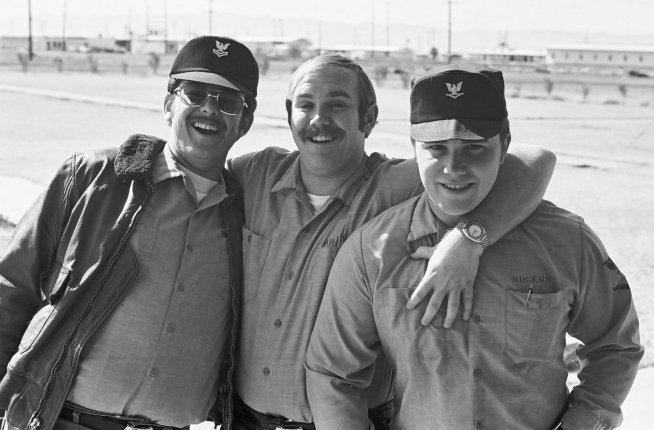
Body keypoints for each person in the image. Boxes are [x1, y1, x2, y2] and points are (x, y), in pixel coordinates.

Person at [305, 63, 644, 430]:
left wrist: (584, 421)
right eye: (436, 148)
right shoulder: (371, 251)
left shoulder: (567, 240)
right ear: (413, 147)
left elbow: (615, 346)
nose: (454, 167)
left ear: (505, 146)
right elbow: (332, 374)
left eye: (474, 148)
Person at [227, 55, 557, 430]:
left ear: (368, 118)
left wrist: (469, 239)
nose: (319, 119)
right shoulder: (253, 174)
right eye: (306, 105)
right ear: (289, 113)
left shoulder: (398, 185)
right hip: (243, 419)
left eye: (337, 104)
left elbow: (535, 161)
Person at [0, 35, 257, 430]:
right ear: (169, 104)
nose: (210, 108)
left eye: (228, 101)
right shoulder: (90, 178)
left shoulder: (248, 215)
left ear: (245, 122)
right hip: (56, 419)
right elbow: (10, 287)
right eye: (195, 92)